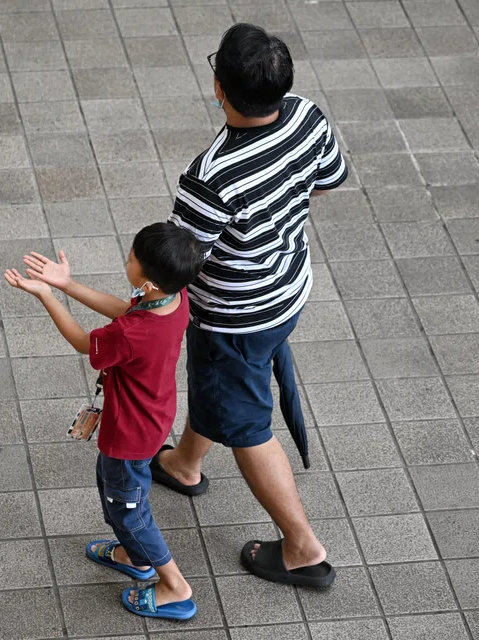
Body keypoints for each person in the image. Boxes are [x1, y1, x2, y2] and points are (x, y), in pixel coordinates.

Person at [154, 23, 348, 587]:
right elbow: (329, 178)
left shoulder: (211, 175)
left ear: (219, 88)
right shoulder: (308, 116)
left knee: (246, 426)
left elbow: (180, 263)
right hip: (288, 287)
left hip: (234, 316)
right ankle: (184, 463)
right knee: (222, 390)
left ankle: (302, 548)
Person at [4, 223, 204, 620]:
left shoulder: (130, 334)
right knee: (117, 492)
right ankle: (133, 554)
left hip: (129, 435)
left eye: (131, 258)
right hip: (153, 416)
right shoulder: (173, 300)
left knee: (129, 509)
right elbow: (126, 310)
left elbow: (83, 341)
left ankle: (175, 587)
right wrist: (69, 285)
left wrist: (46, 294)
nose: (126, 260)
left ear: (146, 281)